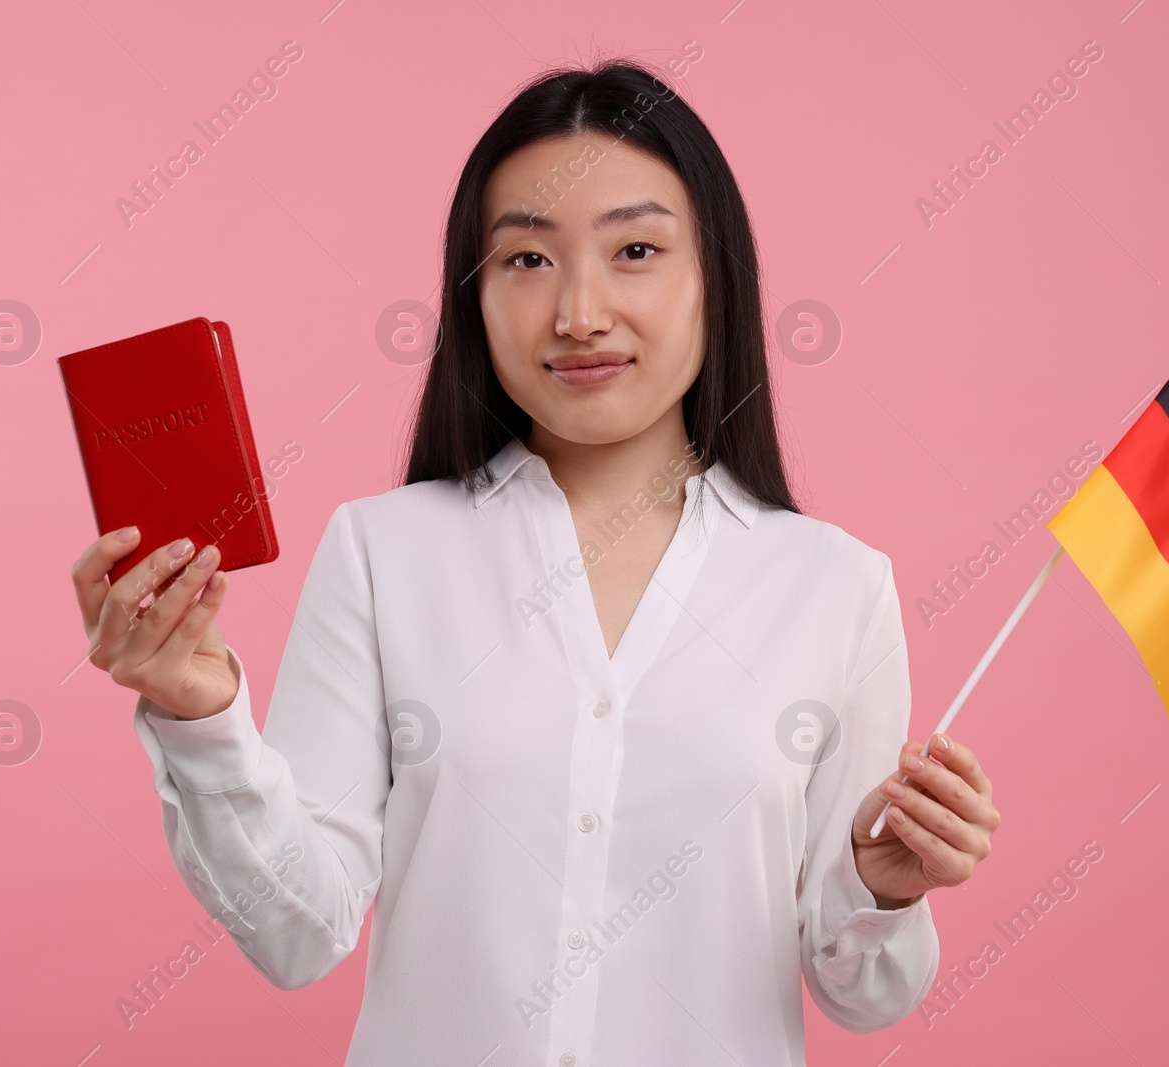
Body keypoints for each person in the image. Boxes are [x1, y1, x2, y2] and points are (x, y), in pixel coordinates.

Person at [70, 59, 999, 1065]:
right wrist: (199, 713)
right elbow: (299, 931)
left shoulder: (833, 587)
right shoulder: (385, 553)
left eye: (634, 249)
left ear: (714, 279)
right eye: (526, 260)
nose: (578, 314)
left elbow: (863, 994)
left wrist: (882, 885)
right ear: (473, 293)